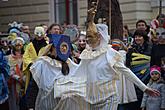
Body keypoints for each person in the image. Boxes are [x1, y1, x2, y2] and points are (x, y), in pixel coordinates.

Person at [29, 34, 85, 110]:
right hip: (47, 105)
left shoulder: (69, 63)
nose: (63, 50)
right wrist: (31, 106)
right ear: (51, 48)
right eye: (60, 47)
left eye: (65, 47)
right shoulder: (43, 63)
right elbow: (33, 87)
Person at [23, 26, 47, 110]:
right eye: (37, 34)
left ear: (44, 34)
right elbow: (25, 57)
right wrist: (31, 64)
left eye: (41, 34)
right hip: (33, 71)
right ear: (35, 34)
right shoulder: (30, 45)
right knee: (32, 89)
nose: (39, 36)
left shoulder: (47, 45)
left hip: (44, 71)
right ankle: (31, 106)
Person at [8, 37, 25, 110]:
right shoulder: (9, 57)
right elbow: (9, 70)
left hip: (24, 81)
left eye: (20, 44)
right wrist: (18, 78)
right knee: (15, 99)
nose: (18, 46)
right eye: (16, 45)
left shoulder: (25, 56)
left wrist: (24, 78)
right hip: (14, 82)